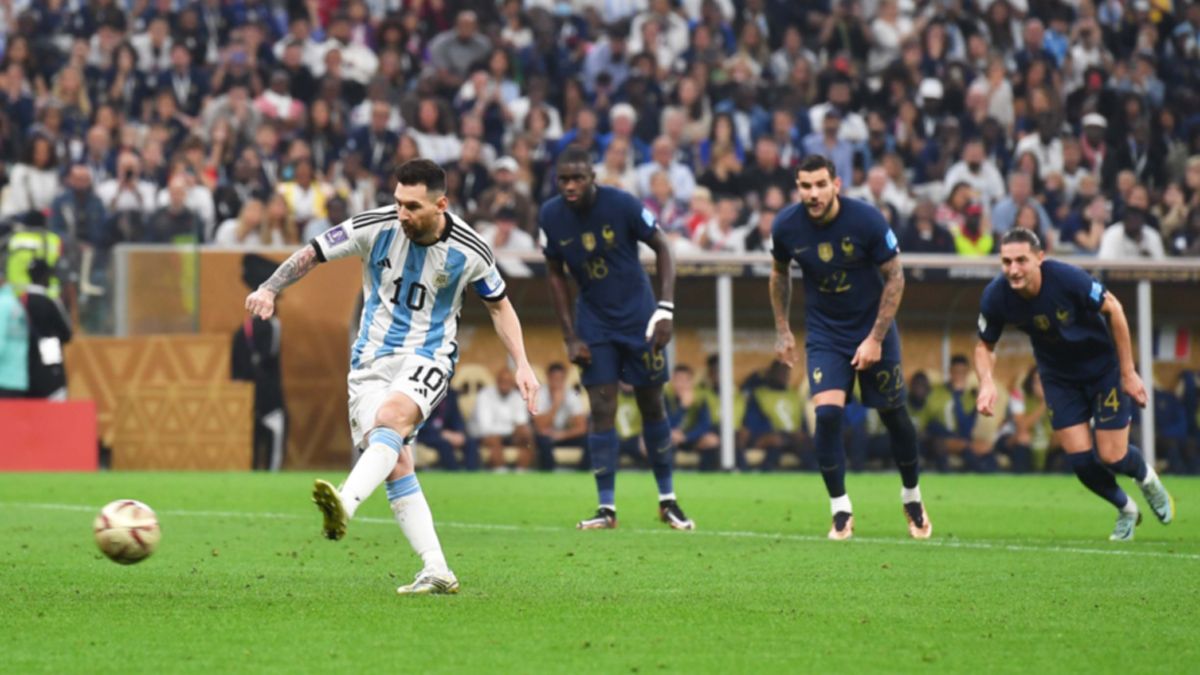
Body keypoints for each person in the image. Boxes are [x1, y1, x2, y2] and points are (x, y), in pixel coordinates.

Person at [245, 159, 540, 595]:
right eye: (398, 202)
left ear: (441, 204)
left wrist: (523, 363)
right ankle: (437, 568)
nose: (402, 213)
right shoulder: (376, 226)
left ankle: (344, 503)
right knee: (395, 459)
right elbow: (314, 251)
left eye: (413, 206)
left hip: (429, 355)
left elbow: (500, 305)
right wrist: (270, 287)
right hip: (368, 365)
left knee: (391, 420)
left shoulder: (470, 250)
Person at [769, 154, 931, 541]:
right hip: (826, 332)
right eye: (805, 186)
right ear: (798, 188)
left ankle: (911, 496)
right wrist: (783, 330)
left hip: (874, 326)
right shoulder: (786, 226)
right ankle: (840, 510)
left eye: (820, 184)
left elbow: (895, 277)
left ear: (836, 185)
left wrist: (875, 338)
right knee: (826, 416)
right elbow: (779, 275)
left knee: (893, 415)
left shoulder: (867, 220)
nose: (813, 193)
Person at [974, 229, 1174, 540]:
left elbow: (1115, 309)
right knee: (1081, 461)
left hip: (1102, 370)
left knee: (1112, 456)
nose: (1013, 269)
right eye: (1006, 261)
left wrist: (1128, 372)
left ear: (1040, 258)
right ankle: (1126, 509)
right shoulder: (996, 296)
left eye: (1021, 260)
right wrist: (986, 381)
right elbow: (984, 346)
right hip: (1058, 378)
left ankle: (1148, 479)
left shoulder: (1067, 278)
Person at [539, 146, 695, 531]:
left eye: (578, 178)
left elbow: (663, 246)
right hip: (594, 323)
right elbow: (555, 273)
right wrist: (570, 336)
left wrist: (665, 310)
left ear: (593, 178)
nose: (570, 186)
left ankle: (667, 500)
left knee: (652, 404)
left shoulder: (622, 204)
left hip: (640, 318)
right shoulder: (551, 216)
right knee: (602, 407)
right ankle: (606, 508)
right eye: (564, 179)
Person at [232, 255, 287, 471]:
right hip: (270, 398)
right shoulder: (273, 326)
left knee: (250, 454)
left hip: (246, 399)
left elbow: (235, 374)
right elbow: (269, 356)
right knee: (273, 453)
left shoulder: (240, 332)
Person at [21, 260, 72, 400]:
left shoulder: (20, 300)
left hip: (24, 361)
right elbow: (67, 334)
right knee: (53, 393)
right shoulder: (51, 301)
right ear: (46, 276)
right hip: (49, 353)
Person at [533, 362, 589, 471]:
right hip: (546, 435)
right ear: (548, 378)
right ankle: (548, 475)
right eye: (555, 379)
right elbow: (540, 427)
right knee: (543, 441)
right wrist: (556, 405)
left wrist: (562, 435)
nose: (558, 383)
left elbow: (582, 427)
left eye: (561, 379)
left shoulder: (571, 395)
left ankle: (583, 475)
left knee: (588, 441)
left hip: (564, 434)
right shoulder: (540, 394)